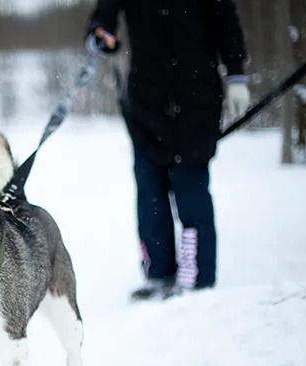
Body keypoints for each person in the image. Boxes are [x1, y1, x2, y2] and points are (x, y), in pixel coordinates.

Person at [85, 0, 251, 300]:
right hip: (146, 104)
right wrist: (101, 34)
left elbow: (227, 23)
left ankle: (196, 279)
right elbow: (104, 15)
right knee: (151, 196)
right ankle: (159, 275)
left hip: (196, 102)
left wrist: (237, 75)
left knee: (191, 194)